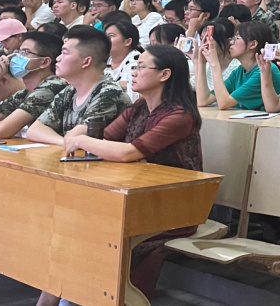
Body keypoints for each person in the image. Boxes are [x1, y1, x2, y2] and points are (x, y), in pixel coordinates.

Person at [56, 45, 202, 296]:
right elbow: (105, 138)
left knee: (103, 235)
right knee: (75, 226)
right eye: (134, 66)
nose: (133, 72)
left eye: (141, 67)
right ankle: (67, 295)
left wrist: (81, 140)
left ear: (164, 74)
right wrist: (83, 136)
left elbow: (127, 152)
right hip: (137, 195)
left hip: (172, 205)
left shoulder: (180, 116)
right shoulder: (139, 108)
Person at [25, 27, 132, 146]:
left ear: (86, 62)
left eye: (65, 53)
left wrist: (70, 141)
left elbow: (76, 137)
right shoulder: (69, 91)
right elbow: (34, 131)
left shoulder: (109, 92)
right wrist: (65, 142)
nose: (58, 58)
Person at [0, 31, 65, 138]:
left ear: (44, 62)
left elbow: (0, 132)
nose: (17, 57)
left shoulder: (52, 85)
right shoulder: (24, 93)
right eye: (18, 51)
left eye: (25, 52)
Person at [194, 21, 280, 110]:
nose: (231, 42)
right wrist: (201, 63)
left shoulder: (264, 70)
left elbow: (223, 103)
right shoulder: (239, 71)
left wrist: (214, 64)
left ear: (253, 44)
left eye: (237, 38)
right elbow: (203, 100)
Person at [104, 20, 142, 99]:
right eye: (105, 36)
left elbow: (128, 88)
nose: (105, 40)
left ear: (127, 41)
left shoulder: (138, 61)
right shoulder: (103, 58)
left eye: (111, 36)